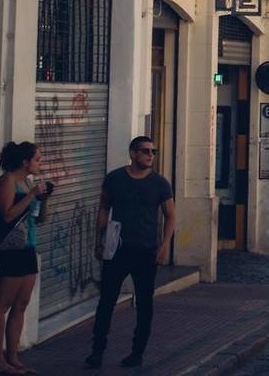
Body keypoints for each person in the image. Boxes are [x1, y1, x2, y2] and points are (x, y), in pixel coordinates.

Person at [85, 137, 175, 370]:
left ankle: (137, 353)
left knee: (145, 304)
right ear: (133, 153)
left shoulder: (160, 183)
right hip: (117, 250)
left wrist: (164, 244)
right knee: (106, 301)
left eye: (153, 151)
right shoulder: (115, 179)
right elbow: (104, 208)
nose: (150, 155)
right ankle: (97, 351)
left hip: (146, 251)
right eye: (145, 151)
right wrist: (98, 241)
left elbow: (170, 215)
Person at [0, 141, 50, 375]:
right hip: (10, 249)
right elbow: (7, 215)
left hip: (28, 246)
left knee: (21, 304)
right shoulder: (8, 181)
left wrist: (44, 200)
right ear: (25, 162)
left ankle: (13, 356)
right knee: (3, 304)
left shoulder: (27, 182)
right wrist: (31, 194)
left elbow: (40, 220)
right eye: (37, 159)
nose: (40, 163)